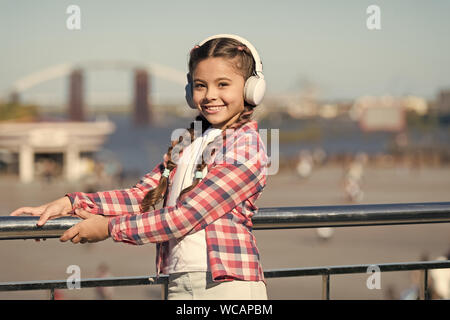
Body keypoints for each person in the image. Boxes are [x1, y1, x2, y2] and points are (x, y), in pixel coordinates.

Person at [10, 34, 270, 300]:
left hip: (228, 286)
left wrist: (109, 228)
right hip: (179, 281)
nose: (210, 95)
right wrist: (69, 203)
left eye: (223, 84)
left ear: (251, 89)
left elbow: (185, 216)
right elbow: (142, 196)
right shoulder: (190, 141)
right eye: (201, 85)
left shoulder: (246, 148)